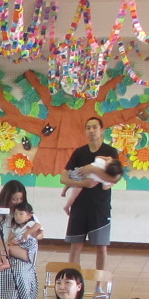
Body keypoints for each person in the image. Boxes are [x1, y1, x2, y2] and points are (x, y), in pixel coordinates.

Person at [61, 116, 121, 271]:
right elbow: (63, 178)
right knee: (76, 246)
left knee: (101, 247)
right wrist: (82, 183)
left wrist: (93, 170)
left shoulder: (110, 152)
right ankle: (73, 281)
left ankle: (99, 286)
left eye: (95, 127)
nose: (91, 131)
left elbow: (114, 178)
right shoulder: (79, 153)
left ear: (102, 130)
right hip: (79, 206)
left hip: (100, 206)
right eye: (88, 128)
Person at [0, 183, 43, 299]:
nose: (17, 202)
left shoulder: (25, 211)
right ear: (6, 197)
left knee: (18, 269)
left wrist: (27, 236)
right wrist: (1, 243)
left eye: (20, 199)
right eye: (14, 199)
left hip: (22, 250)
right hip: (2, 248)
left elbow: (40, 233)